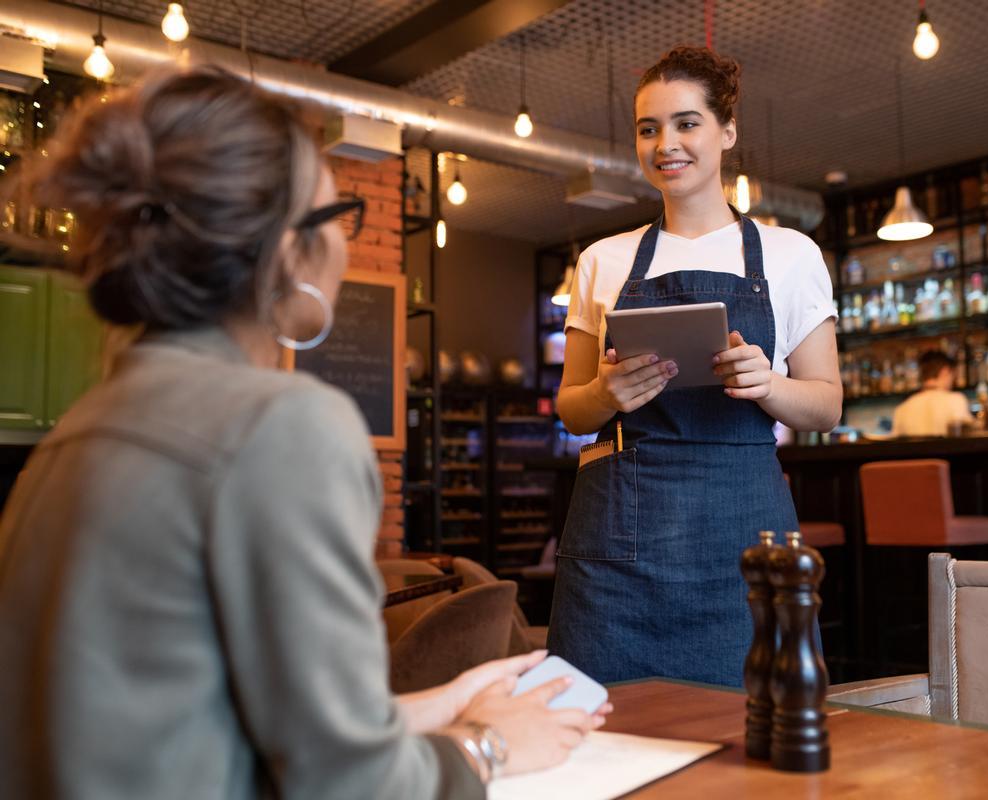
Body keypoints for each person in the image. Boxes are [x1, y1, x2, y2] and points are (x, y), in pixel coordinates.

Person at [0, 67, 607, 799]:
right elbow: (347, 784)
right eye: (338, 216)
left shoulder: (71, 440)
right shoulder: (283, 427)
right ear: (291, 250)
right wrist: (489, 747)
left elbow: (188, 720)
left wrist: (438, 707)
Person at [549, 46, 841, 687]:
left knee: (755, 730)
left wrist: (769, 385)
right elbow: (571, 408)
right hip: (619, 546)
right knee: (604, 736)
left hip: (744, 537)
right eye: (648, 128)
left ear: (726, 132)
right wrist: (605, 391)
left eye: (686, 123)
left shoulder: (791, 255)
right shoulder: (603, 259)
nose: (665, 144)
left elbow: (825, 405)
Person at [891, 350, 975, 437]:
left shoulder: (902, 409)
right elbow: (970, 437)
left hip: (916, 451)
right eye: (952, 375)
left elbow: (894, 446)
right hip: (949, 450)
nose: (952, 381)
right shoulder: (956, 400)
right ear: (945, 371)